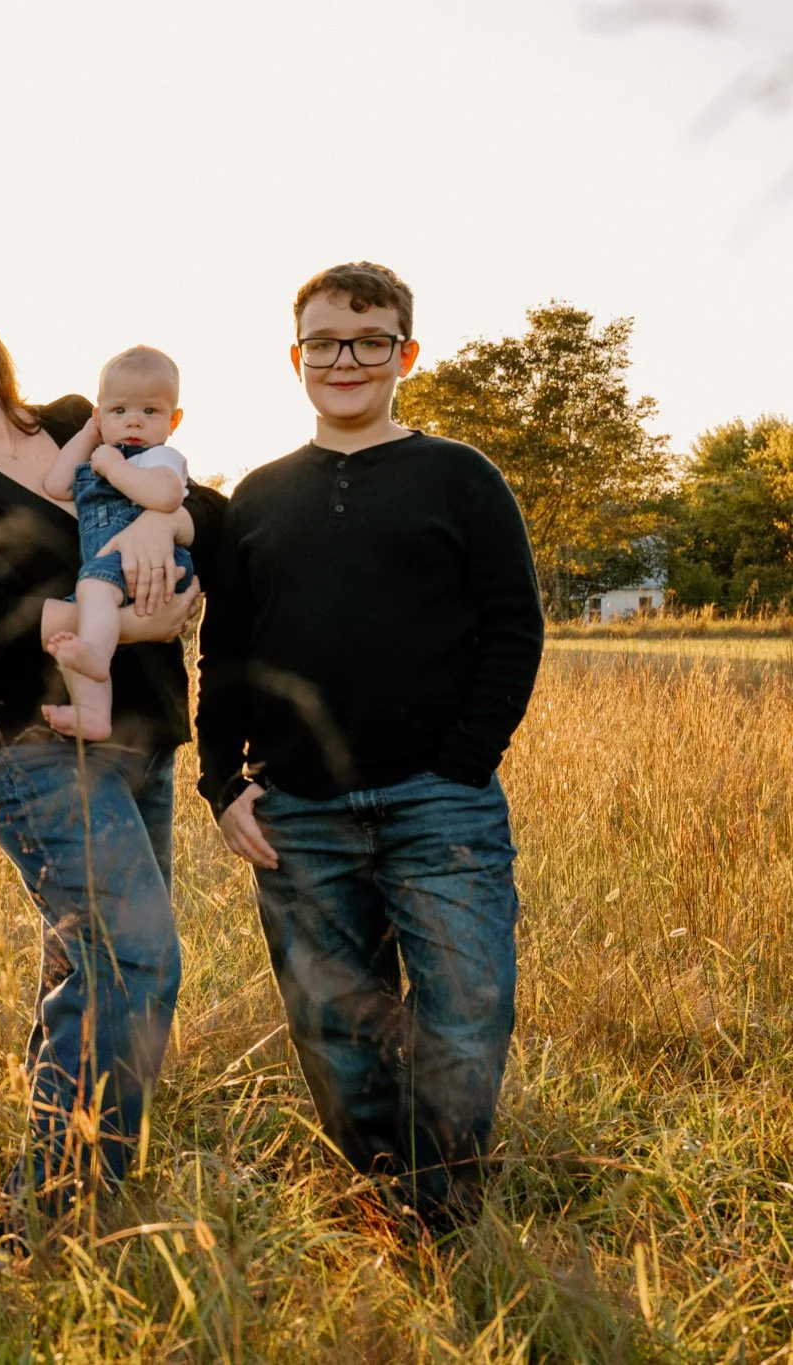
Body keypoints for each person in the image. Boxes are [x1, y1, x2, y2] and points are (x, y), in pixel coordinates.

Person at [196, 261, 544, 1234]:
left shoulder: (459, 478)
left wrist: (462, 762)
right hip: (297, 811)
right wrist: (220, 781)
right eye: (323, 341)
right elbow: (223, 653)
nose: (343, 359)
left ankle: (443, 1213)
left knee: (464, 1019)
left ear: (405, 354)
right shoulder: (259, 497)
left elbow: (511, 626)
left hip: (440, 804)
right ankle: (388, 1194)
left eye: (368, 340)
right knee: (335, 1032)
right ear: (294, 355)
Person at [0, 288, 223, 1221]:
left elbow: (210, 520)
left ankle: (74, 1181)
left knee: (90, 963)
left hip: (141, 733)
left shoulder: (82, 421)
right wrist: (129, 622)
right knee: (134, 956)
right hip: (28, 740)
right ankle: (61, 1207)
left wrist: (162, 522)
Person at [39, 345, 195, 742]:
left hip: (150, 566)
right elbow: (55, 484)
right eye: (119, 411)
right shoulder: (97, 456)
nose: (134, 422)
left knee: (90, 600)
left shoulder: (161, 457)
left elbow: (165, 497)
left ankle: (95, 653)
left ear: (173, 420)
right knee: (72, 639)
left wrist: (114, 467)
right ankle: (93, 714)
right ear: (100, 415)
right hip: (108, 576)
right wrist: (90, 434)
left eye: (150, 412)